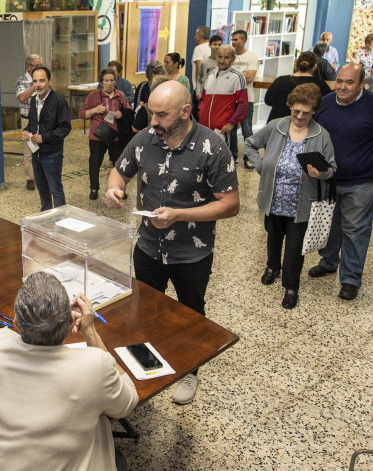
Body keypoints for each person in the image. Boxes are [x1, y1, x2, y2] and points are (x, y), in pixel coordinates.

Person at [105, 81, 239, 404]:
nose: (153, 121)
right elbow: (118, 172)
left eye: (161, 115)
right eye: (151, 113)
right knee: (145, 308)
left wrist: (179, 215)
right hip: (149, 246)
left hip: (191, 253)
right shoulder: (144, 139)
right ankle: (146, 363)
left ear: (184, 112)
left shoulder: (213, 147)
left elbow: (230, 204)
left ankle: (189, 371)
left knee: (189, 313)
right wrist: (115, 189)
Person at [0, 274, 137, 471]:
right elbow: (128, 403)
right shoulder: (95, 366)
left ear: (15, 321)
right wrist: (89, 330)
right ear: (69, 324)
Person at [309, 64, 373, 301]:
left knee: (355, 230)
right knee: (329, 225)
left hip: (361, 183)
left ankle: (350, 278)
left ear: (363, 83)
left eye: (349, 82)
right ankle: (329, 261)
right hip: (327, 180)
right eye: (339, 81)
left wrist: (365, 156)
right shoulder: (326, 102)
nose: (342, 86)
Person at [244, 84, 336, 309]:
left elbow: (332, 168)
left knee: (295, 248)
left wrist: (321, 172)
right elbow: (249, 144)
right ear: (290, 107)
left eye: (306, 112)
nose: (300, 116)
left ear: (314, 110)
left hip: (301, 204)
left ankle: (291, 286)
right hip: (274, 199)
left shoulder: (321, 134)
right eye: (296, 111)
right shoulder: (277, 126)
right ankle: (272, 267)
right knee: (273, 237)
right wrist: (262, 166)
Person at [22, 66, 72, 211]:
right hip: (36, 153)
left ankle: (61, 218)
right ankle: (46, 215)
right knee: (42, 188)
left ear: (49, 81)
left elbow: (65, 127)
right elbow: (32, 123)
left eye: (42, 81)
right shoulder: (33, 101)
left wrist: (45, 137)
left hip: (52, 153)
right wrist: (26, 131)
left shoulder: (59, 101)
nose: (38, 85)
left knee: (55, 189)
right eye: (35, 81)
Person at [81, 67, 132, 201]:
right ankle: (94, 188)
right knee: (94, 163)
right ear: (101, 82)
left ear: (115, 81)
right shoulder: (93, 96)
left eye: (112, 80)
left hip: (116, 135)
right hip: (98, 135)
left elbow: (129, 111)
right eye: (106, 81)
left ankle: (119, 189)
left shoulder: (120, 95)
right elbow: (82, 114)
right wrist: (94, 110)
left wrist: (122, 113)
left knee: (119, 164)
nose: (109, 83)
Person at [198, 45, 248, 145]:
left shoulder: (238, 77)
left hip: (221, 131)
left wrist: (231, 123)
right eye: (220, 57)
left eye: (226, 57)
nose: (222, 61)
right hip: (204, 128)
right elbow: (203, 98)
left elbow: (243, 104)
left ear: (233, 59)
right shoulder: (210, 74)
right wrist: (200, 112)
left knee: (221, 159)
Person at [264, 51, 333, 121]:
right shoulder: (320, 84)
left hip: (277, 123)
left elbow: (267, 101)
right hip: (305, 125)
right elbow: (327, 105)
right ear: (315, 66)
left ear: (296, 63)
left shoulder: (280, 81)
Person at [230, 30, 259, 169]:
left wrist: (235, 74)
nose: (233, 42)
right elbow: (227, 75)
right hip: (231, 99)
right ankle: (232, 156)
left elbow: (250, 77)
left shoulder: (251, 57)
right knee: (232, 130)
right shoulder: (230, 56)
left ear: (244, 40)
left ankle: (249, 158)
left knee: (247, 130)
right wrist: (242, 74)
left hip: (247, 98)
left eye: (236, 39)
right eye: (232, 39)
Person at [15, 54, 43, 191]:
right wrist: (35, 85)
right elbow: (22, 97)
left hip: (42, 118)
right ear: (29, 67)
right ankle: (30, 179)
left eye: (41, 65)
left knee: (42, 148)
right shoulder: (21, 80)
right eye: (38, 66)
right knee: (29, 151)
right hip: (27, 119)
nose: (40, 68)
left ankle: (42, 176)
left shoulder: (43, 78)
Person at [195, 35, 224, 112]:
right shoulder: (204, 62)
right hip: (204, 97)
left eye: (219, 45)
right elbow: (199, 79)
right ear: (209, 45)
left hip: (218, 98)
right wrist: (198, 93)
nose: (216, 47)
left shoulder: (223, 63)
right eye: (214, 44)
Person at [191, 26, 213, 115]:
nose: (194, 37)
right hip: (210, 87)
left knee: (197, 115)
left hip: (200, 88)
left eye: (195, 35)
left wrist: (198, 89)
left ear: (200, 36)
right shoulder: (211, 47)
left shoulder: (199, 48)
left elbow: (199, 68)